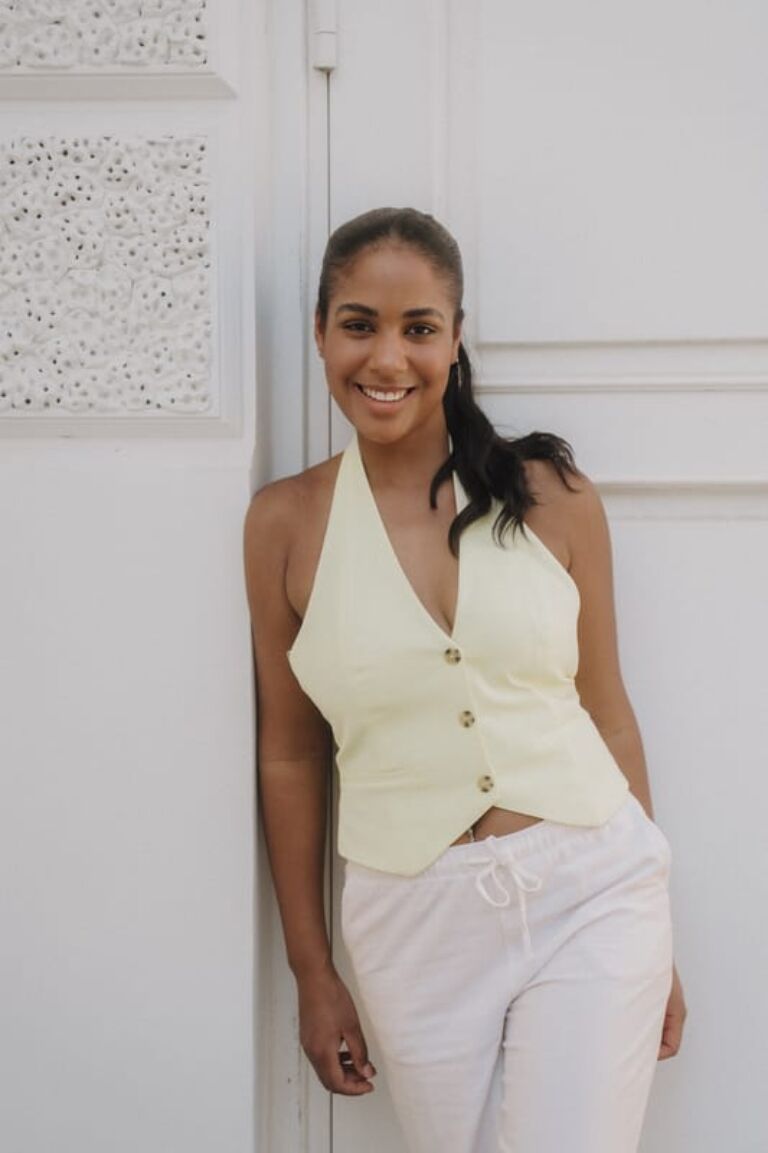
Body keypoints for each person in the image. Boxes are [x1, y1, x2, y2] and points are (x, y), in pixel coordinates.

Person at [243, 206, 687, 1153]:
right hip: (413, 920)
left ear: (455, 338)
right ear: (320, 334)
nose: (387, 358)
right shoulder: (284, 524)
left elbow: (607, 712)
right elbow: (290, 755)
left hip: (593, 889)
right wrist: (312, 971)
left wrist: (658, 947)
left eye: (419, 327)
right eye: (359, 324)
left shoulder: (553, 496)